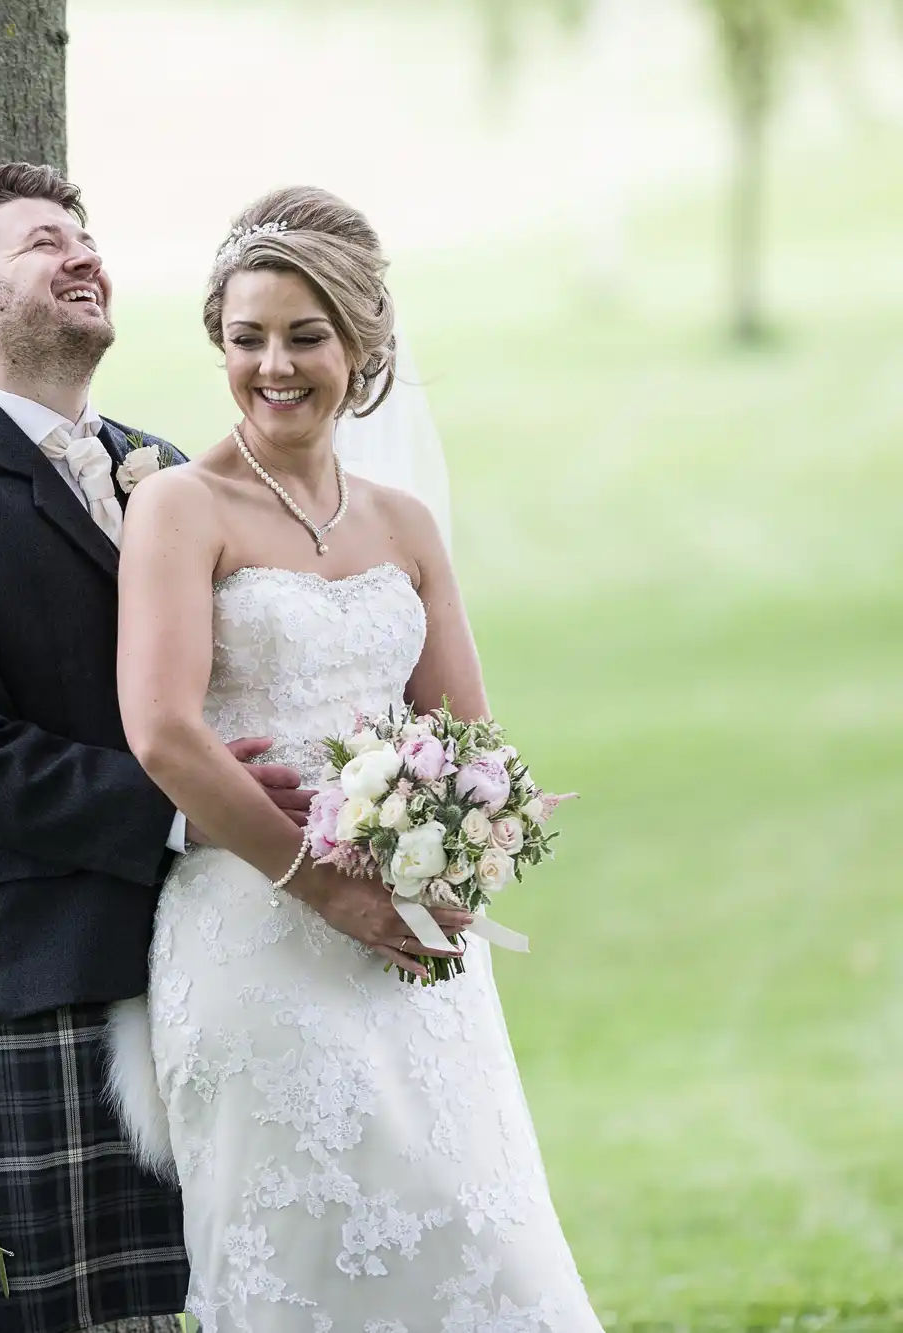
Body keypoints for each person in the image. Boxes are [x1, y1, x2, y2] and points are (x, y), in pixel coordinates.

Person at [0, 162, 312, 1333]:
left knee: (219, 1289)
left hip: (201, 944)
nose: (84, 254)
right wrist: (187, 807)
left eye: (85, 236)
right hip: (28, 963)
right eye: (47, 243)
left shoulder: (167, 470)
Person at [107, 186, 602, 1331]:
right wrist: (325, 884)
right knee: (305, 1258)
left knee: (475, 1241)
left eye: (303, 336)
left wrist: (443, 858)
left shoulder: (402, 524)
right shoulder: (182, 508)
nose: (272, 366)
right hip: (253, 931)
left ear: (362, 345)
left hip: (410, 944)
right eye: (245, 339)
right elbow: (162, 730)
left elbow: (466, 734)